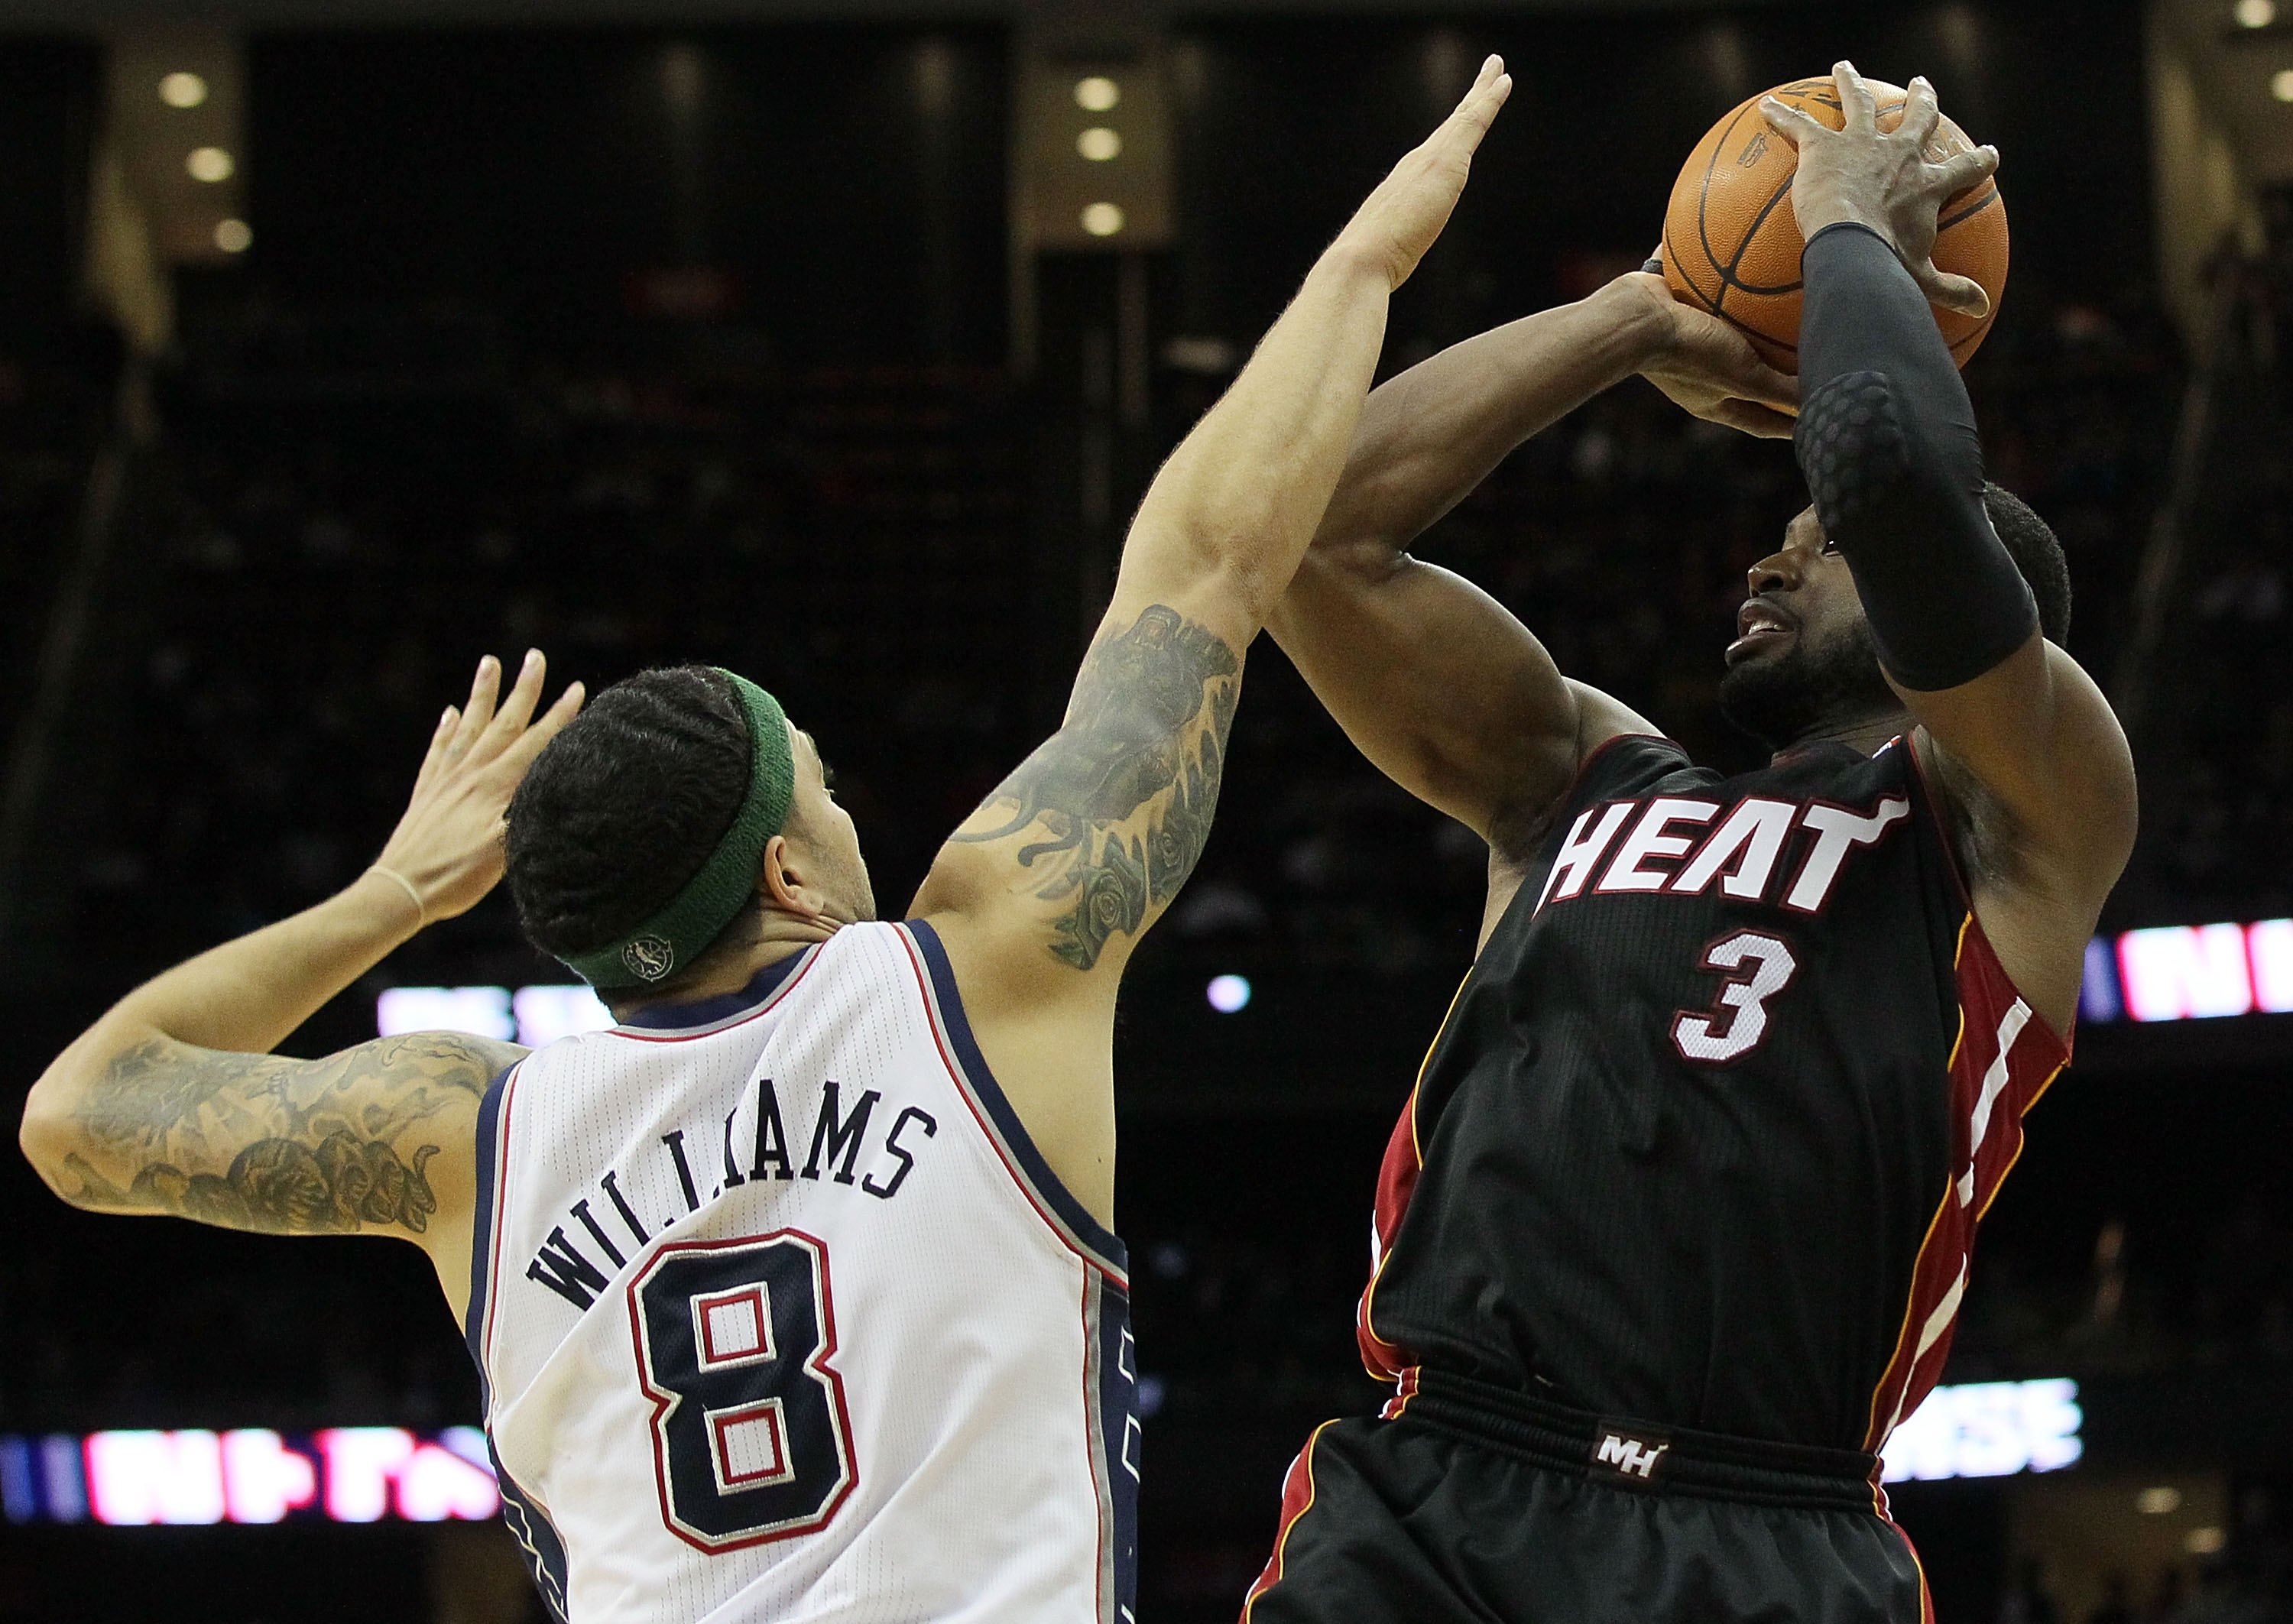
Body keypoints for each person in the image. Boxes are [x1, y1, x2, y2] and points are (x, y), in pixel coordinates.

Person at [17, 60, 1516, 1624]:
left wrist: (396, 891)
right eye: (825, 789)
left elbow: (82, 1111)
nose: (853, 811)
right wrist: (1361, 267)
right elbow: (1205, 564)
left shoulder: (469, 1133)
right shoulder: (980, 974)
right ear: (791, 874)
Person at [1242, 63, 2136, 1623]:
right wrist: (1644, 314)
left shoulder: (2018, 814)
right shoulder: (1577, 777)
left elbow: (1896, 472)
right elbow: (1314, 534)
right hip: (1436, 1491)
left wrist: (1846, 221)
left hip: (1762, 1528)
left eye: (1815, 544)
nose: (1770, 553)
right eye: (1784, 536)